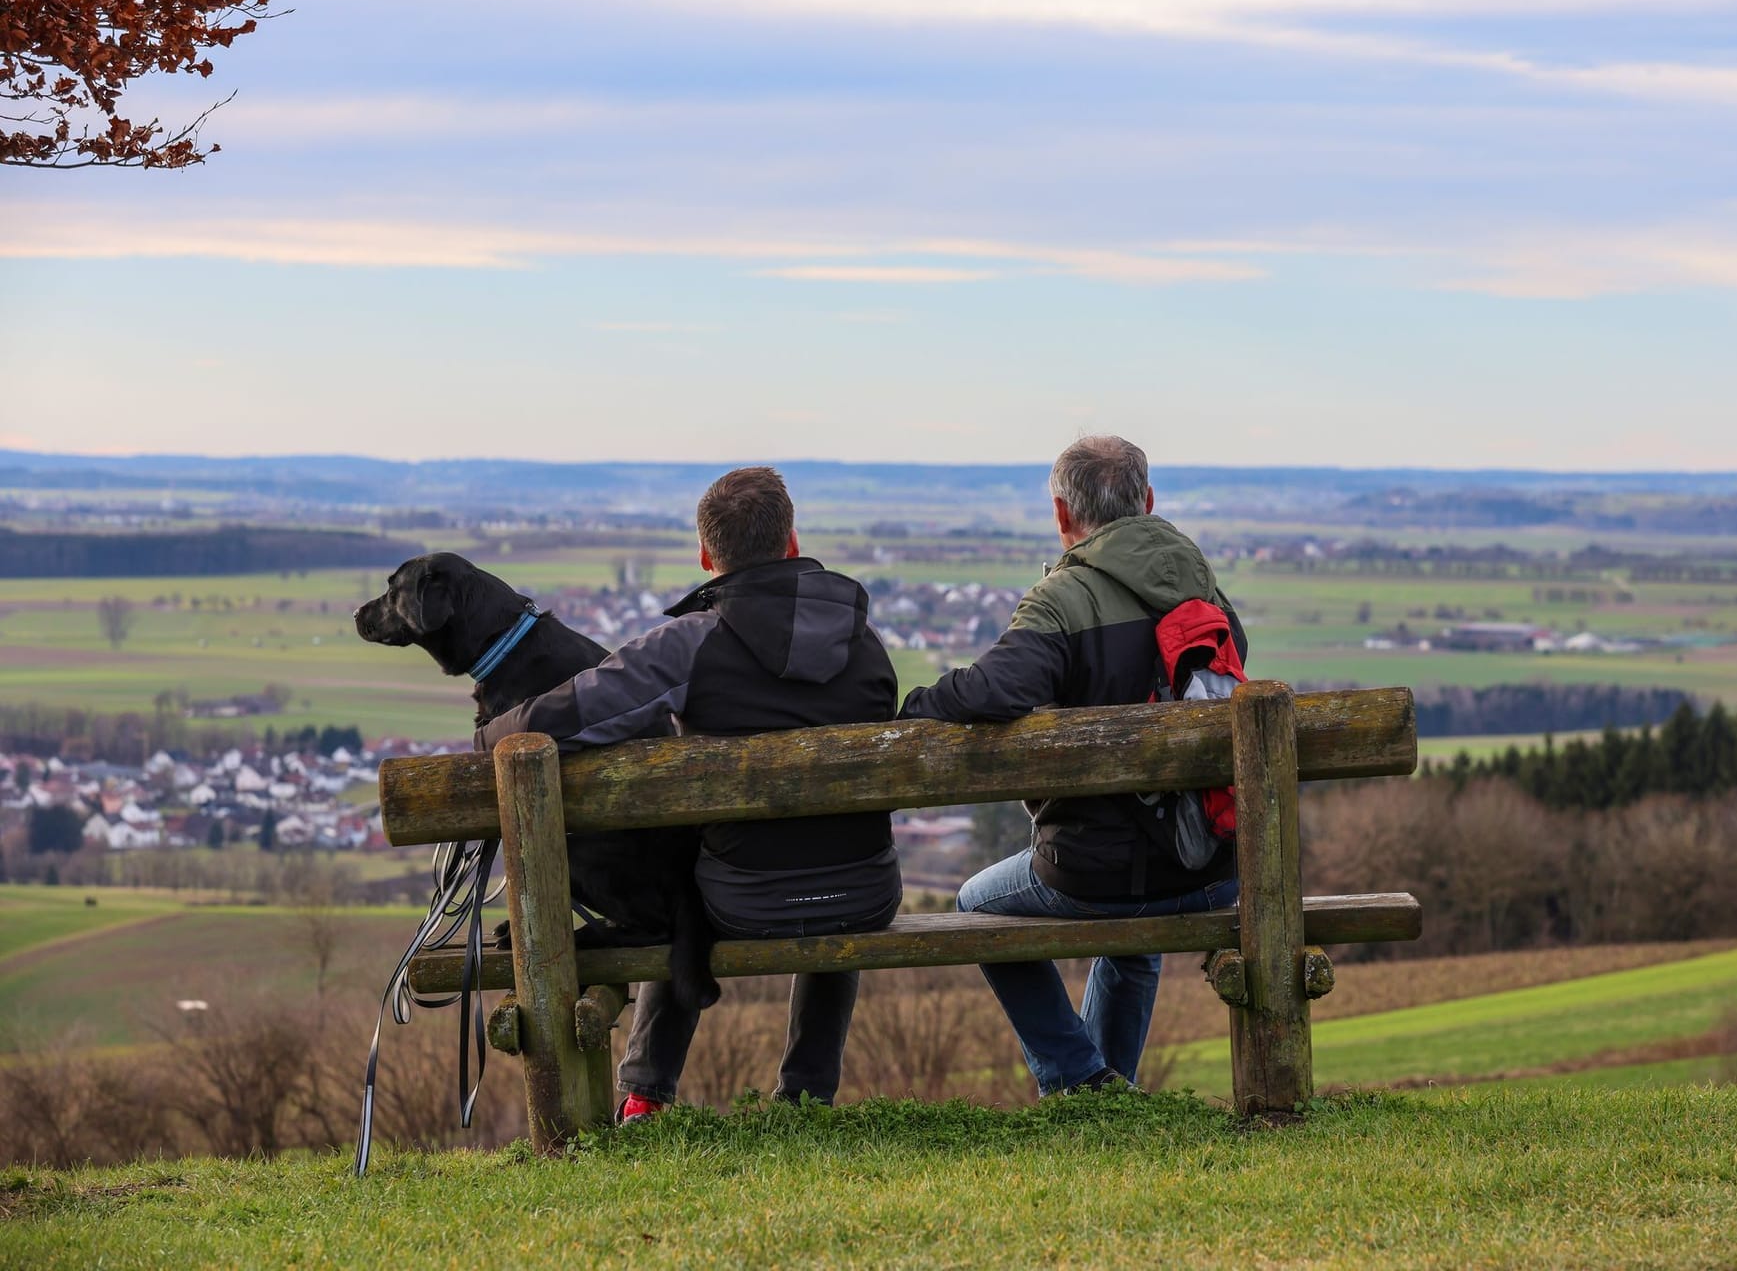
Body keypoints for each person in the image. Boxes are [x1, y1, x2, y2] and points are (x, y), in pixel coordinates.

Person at [480, 466, 900, 1117]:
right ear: (791, 542)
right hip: (869, 894)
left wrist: (484, 740)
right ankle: (806, 1098)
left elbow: (560, 718)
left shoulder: (690, 644)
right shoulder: (865, 640)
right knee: (828, 857)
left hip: (743, 903)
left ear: (708, 557)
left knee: (690, 880)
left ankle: (645, 1093)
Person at [898, 435, 1244, 1094]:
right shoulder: (1209, 597)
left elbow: (992, 691)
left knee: (975, 907)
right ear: (1147, 501)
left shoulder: (1063, 600)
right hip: (1213, 868)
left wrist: (917, 705)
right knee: (1132, 932)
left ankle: (1078, 1079)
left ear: (1062, 515)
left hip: (1096, 871)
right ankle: (1112, 1090)